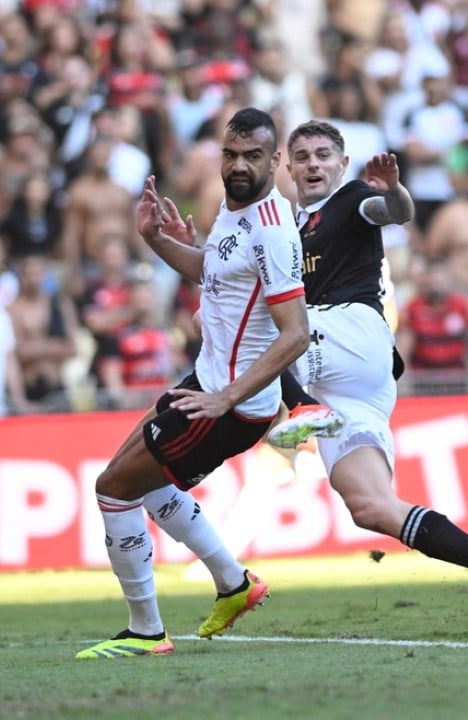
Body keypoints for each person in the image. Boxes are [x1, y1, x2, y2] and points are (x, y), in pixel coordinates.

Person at [179, 121, 468, 613]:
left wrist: (395, 193)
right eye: (302, 156)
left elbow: (392, 211)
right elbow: (223, 279)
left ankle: (300, 406)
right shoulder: (283, 228)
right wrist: (169, 244)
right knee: (370, 507)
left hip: (350, 334)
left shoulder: (349, 201)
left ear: (342, 165)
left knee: (215, 319)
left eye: (324, 155)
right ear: (286, 166)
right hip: (348, 383)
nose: (313, 165)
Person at [76, 108, 311, 659]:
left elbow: (295, 333)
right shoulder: (234, 210)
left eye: (253, 156)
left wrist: (227, 398)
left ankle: (146, 632)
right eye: (230, 154)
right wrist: (156, 239)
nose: (238, 165)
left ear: (273, 160)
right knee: (142, 484)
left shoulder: (273, 231)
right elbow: (213, 271)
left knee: (114, 489)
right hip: (208, 383)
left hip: (230, 402)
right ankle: (234, 584)